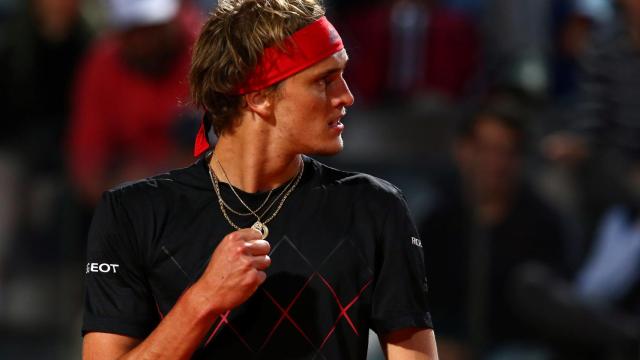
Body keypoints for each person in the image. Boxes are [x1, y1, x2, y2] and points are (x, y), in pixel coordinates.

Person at [81, 1, 438, 359]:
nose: (346, 96)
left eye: (342, 76)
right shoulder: (131, 213)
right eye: (324, 81)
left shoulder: (376, 209)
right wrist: (203, 300)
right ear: (259, 96)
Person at [419, 98, 570, 359]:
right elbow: (417, 300)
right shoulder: (438, 220)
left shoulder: (543, 223)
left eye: (507, 151)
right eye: (485, 149)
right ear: (462, 150)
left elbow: (552, 311)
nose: (495, 163)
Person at [67, 0, 201, 206]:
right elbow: (87, 167)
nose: (147, 41)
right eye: (135, 30)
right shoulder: (101, 66)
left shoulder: (206, 52)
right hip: (132, 207)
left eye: (155, 27)